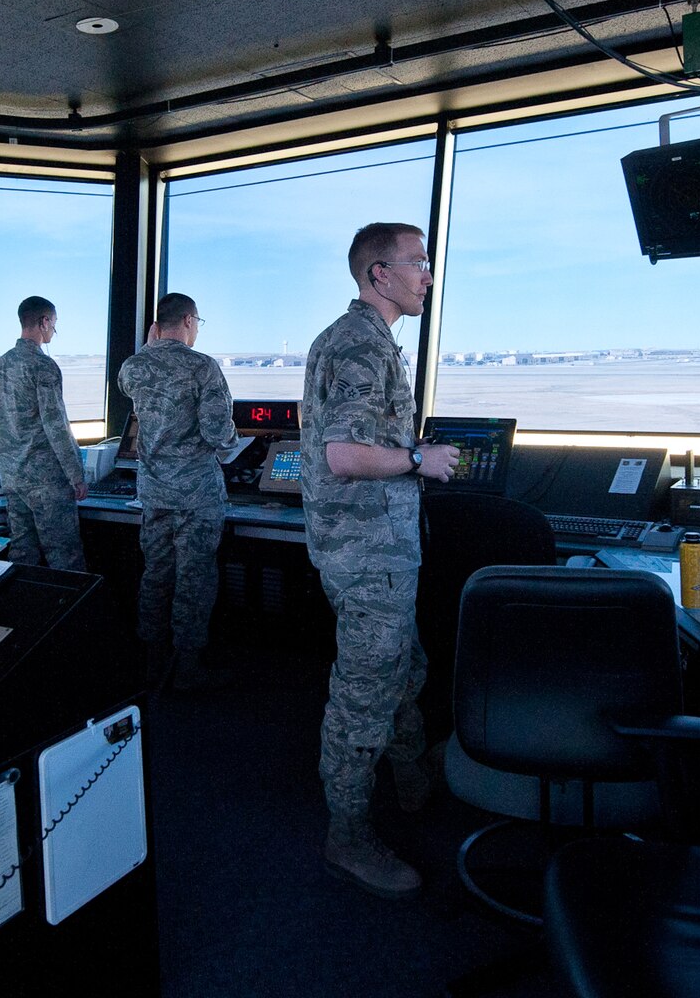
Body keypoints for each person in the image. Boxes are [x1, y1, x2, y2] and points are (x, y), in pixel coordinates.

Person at [301, 222, 459, 899]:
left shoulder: (353, 340)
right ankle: (348, 837)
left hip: (371, 549)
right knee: (364, 695)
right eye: (417, 263)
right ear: (378, 274)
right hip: (368, 555)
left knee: (406, 667)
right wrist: (421, 459)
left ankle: (414, 779)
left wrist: (403, 448)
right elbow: (343, 455)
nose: (428, 274)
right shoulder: (362, 347)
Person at [117, 293, 236, 689]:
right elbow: (219, 434)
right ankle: (186, 666)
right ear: (188, 320)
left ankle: (151, 660)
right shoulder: (202, 368)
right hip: (196, 495)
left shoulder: (133, 368)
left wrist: (152, 346)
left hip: (153, 492)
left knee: (156, 574)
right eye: (198, 322)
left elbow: (132, 388)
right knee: (194, 580)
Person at [0, 295, 88, 573]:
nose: (54, 330)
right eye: (54, 324)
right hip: (47, 483)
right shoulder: (43, 366)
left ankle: (22, 615)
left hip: (14, 479)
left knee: (22, 556)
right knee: (65, 559)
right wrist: (76, 475)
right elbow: (56, 426)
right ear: (44, 322)